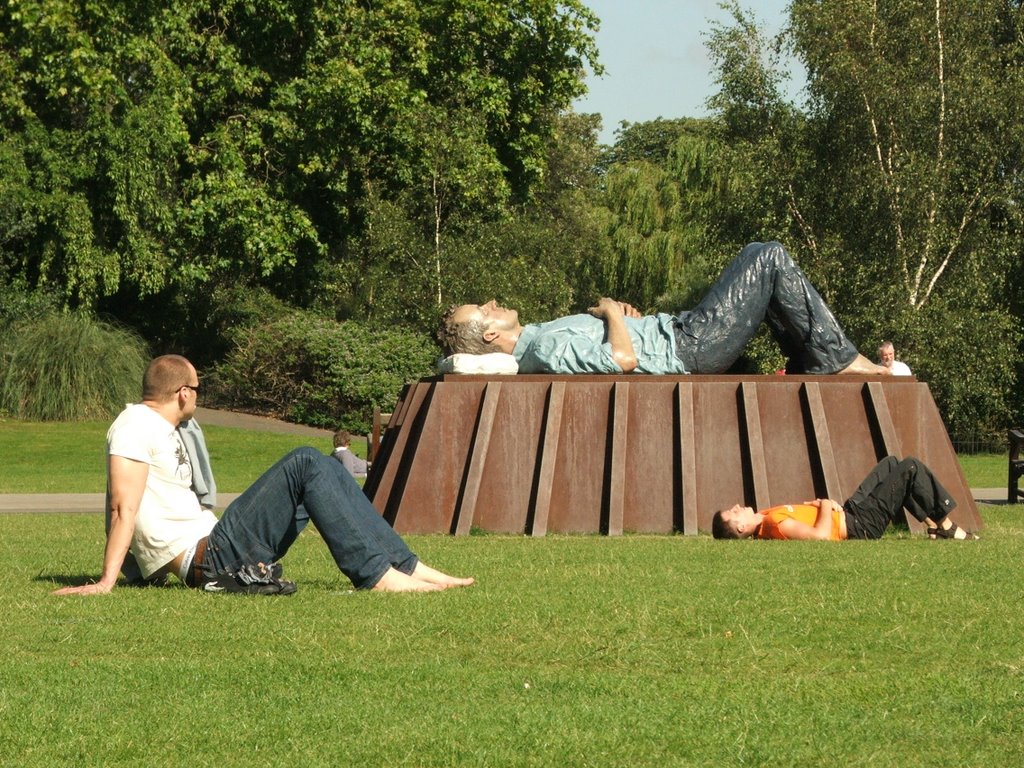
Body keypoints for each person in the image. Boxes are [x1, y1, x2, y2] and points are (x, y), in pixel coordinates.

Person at [53, 355, 474, 596]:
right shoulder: (134, 427)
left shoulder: (161, 428)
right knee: (306, 460)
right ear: (183, 392)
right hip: (211, 558)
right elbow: (122, 506)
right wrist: (107, 581)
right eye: (198, 388)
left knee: (324, 468)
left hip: (216, 548)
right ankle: (377, 576)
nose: (199, 396)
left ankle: (405, 565)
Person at [439, 241, 889, 376]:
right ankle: (841, 361)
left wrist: (627, 322)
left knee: (761, 261)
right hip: (689, 347)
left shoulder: (543, 337)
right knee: (766, 257)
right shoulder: (544, 348)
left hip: (679, 335)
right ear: (490, 336)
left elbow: (618, 349)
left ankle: (828, 359)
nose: (493, 304)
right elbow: (622, 361)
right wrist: (614, 315)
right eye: (485, 309)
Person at [711, 455, 978, 541]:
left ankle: (936, 526)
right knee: (910, 468)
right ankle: (945, 526)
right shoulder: (774, 525)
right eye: (733, 513)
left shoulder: (767, 515)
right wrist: (825, 504)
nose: (736, 507)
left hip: (850, 512)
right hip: (860, 525)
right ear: (741, 528)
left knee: (890, 463)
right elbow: (821, 538)